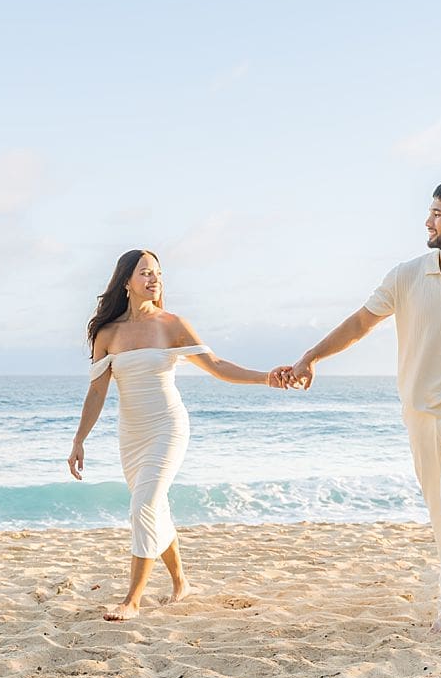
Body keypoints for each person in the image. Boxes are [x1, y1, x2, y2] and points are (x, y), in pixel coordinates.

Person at [280, 180, 441, 635]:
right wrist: (311, 357)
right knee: (440, 509)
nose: (427, 221)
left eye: (437, 214)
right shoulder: (406, 275)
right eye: (430, 212)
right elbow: (361, 323)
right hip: (419, 409)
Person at [68, 249, 290, 620]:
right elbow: (96, 391)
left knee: (143, 505)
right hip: (132, 434)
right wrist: (79, 440)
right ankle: (181, 583)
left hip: (167, 427)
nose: (154, 279)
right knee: (155, 507)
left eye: (157, 273)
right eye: (145, 273)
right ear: (126, 282)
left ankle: (132, 601)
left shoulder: (171, 325)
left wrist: (266, 377)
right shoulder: (108, 333)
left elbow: (216, 366)